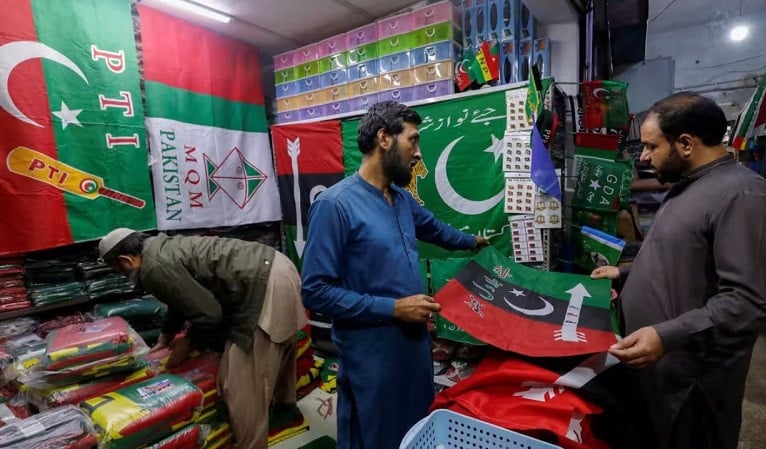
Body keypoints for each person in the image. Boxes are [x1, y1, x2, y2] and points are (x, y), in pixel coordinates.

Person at [591, 92, 766, 449]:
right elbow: (680, 255)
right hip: (656, 372)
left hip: (690, 385)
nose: (644, 156)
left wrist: (666, 335)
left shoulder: (745, 199)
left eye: (651, 146)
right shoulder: (690, 187)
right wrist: (624, 275)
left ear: (685, 143)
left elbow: (747, 302)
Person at [301, 101, 488, 449]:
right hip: (370, 358)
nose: (417, 153)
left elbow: (434, 229)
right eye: (412, 141)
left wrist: (473, 241)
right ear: (384, 138)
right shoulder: (335, 206)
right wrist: (394, 308)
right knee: (374, 436)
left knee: (415, 430)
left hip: (413, 347)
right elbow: (314, 291)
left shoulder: (400, 199)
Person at [98, 229, 307, 449]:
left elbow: (209, 314)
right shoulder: (159, 248)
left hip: (262, 283)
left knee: (238, 385)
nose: (123, 277)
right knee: (278, 349)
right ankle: (285, 409)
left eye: (118, 271)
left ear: (125, 260)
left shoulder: (154, 267)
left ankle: (252, 444)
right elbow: (179, 298)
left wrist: (188, 343)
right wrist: (166, 338)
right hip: (278, 265)